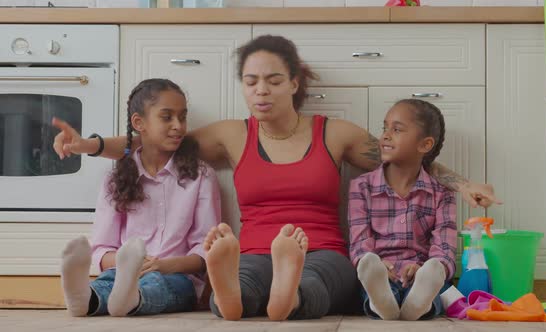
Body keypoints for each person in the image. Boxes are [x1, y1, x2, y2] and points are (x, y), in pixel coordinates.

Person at [52, 35, 500, 321]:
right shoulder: (232, 135)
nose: (260, 91)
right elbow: (154, 141)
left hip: (324, 249)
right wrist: (88, 145)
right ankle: (230, 297)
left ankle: (286, 294)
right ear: (243, 87)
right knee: (241, 283)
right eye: (250, 82)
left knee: (315, 285)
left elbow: (401, 158)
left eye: (272, 80)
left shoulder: (334, 133)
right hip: (254, 248)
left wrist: (464, 185)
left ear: (293, 84)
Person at [58, 78, 221, 317]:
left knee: (157, 286)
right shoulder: (115, 177)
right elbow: (103, 248)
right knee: (107, 282)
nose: (179, 126)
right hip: (122, 270)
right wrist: (130, 265)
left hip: (176, 276)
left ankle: (129, 299)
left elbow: (207, 249)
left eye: (182, 117)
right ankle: (86, 298)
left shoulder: (201, 176)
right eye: (167, 117)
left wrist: (163, 265)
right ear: (139, 123)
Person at [349, 99, 457, 321]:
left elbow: (444, 246)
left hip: (419, 274)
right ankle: (383, 305)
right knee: (370, 287)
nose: (385, 136)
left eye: (396, 129)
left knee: (436, 290)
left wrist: (425, 269)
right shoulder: (362, 186)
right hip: (379, 272)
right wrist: (375, 264)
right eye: (385, 127)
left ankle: (418, 305)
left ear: (425, 145)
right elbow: (359, 240)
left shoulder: (442, 193)